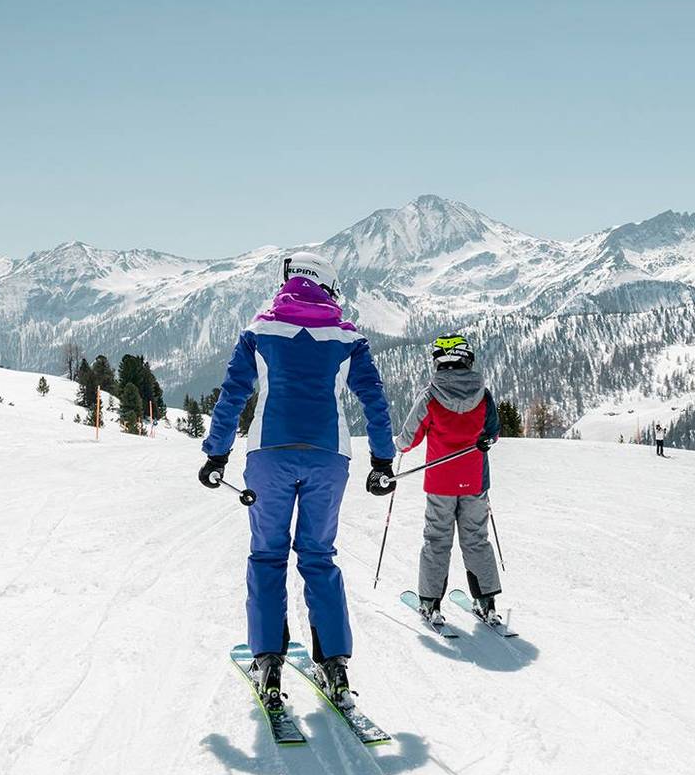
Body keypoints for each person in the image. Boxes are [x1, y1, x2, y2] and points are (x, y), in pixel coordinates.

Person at [199, 250, 397, 709]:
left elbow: (233, 395)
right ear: (327, 286)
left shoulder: (259, 331)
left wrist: (216, 453)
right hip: (329, 458)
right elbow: (374, 400)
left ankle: (269, 663)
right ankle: (335, 666)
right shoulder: (348, 338)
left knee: (268, 555)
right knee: (318, 556)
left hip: (268, 455)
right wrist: (382, 460)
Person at [398, 334, 503, 624]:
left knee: (437, 540)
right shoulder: (483, 395)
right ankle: (486, 602)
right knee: (476, 539)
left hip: (440, 482)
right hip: (475, 480)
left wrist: (396, 447)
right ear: (467, 360)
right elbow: (493, 433)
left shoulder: (430, 396)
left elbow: (409, 438)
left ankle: (430, 603)